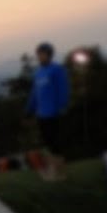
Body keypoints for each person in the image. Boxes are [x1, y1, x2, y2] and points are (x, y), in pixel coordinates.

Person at [27, 41, 70, 180]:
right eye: (38, 54)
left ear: (49, 55)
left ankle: (60, 173)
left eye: (43, 54)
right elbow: (35, 93)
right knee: (47, 143)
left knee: (55, 143)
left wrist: (61, 106)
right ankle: (52, 171)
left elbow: (63, 90)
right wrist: (29, 109)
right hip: (41, 114)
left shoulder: (57, 70)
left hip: (54, 113)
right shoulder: (39, 72)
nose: (40, 57)